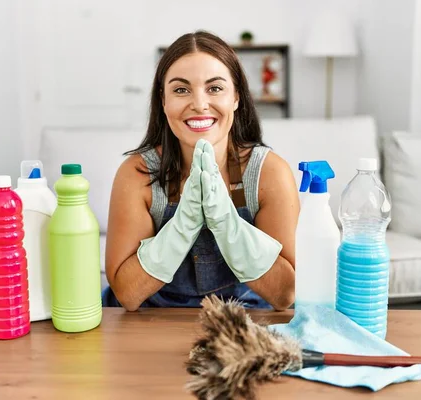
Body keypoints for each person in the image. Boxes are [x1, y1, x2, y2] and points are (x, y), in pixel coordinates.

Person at [102, 31, 299, 311]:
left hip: (245, 320)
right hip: (152, 322)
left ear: (236, 98)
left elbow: (284, 294)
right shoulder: (137, 173)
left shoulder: (269, 173)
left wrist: (227, 224)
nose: (199, 104)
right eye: (181, 90)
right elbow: (127, 295)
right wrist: (183, 225)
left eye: (215, 88)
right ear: (163, 100)